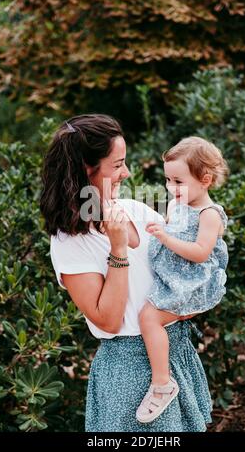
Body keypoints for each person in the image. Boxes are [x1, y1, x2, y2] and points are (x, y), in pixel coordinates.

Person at [40, 115, 212, 432]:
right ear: (84, 169)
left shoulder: (135, 209)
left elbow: (179, 269)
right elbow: (107, 319)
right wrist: (118, 249)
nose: (127, 173)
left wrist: (190, 302)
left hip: (175, 352)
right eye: (118, 164)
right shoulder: (71, 241)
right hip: (130, 371)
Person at [136, 136, 229, 423]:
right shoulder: (179, 204)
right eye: (167, 180)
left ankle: (162, 384)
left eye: (178, 181)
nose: (170, 188)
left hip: (192, 282)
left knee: (148, 318)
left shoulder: (209, 214)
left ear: (205, 179)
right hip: (174, 276)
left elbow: (200, 253)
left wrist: (165, 236)